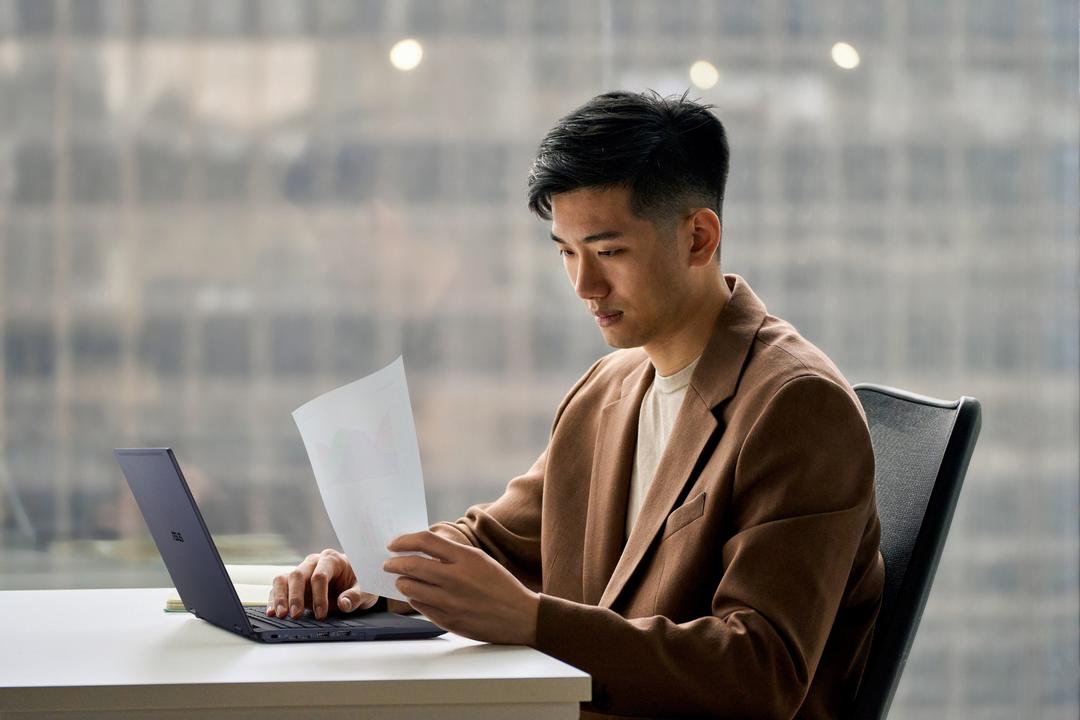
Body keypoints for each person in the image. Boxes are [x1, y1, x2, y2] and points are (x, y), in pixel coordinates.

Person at [268, 90, 884, 719]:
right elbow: (495, 540)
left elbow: (761, 670)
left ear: (698, 236)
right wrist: (375, 574)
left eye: (609, 251)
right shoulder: (608, 388)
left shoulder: (796, 404)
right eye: (566, 252)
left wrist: (536, 622)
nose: (585, 286)